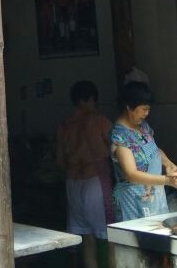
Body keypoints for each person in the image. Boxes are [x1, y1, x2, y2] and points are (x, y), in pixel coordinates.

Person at [56, 80, 114, 268]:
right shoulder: (100, 121)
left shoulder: (64, 126)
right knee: (110, 238)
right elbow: (116, 151)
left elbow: (60, 161)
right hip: (95, 181)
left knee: (87, 240)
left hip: (73, 183)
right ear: (89, 100)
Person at [110, 81, 177, 221]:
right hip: (133, 200)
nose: (147, 113)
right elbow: (131, 174)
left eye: (148, 109)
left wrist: (168, 164)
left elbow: (154, 150)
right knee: (137, 234)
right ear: (129, 106)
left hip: (155, 196)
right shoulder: (120, 135)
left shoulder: (142, 126)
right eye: (144, 109)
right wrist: (167, 181)